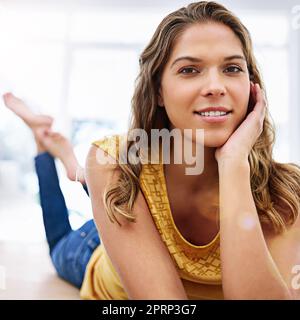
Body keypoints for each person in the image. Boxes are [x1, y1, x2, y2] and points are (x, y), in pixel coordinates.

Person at [84, 1, 300, 300]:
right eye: (189, 70)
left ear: (252, 88)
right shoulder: (115, 161)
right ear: (158, 90)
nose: (215, 86)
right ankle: (55, 152)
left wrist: (234, 164)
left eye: (232, 68)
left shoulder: (287, 193)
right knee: (61, 243)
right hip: (89, 256)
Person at [3, 92, 100, 290]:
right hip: (95, 247)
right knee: (58, 246)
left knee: (59, 243)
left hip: (98, 236)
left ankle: (47, 147)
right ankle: (70, 165)